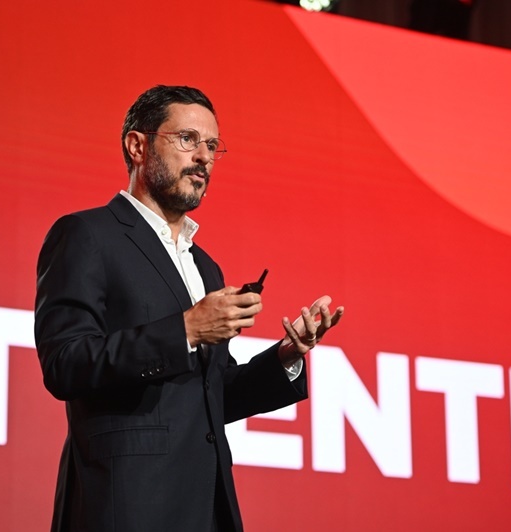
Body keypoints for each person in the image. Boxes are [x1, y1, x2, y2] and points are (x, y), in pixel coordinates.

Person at [34, 85, 343, 532]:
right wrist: (186, 330)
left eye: (213, 146)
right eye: (187, 139)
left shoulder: (205, 267)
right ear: (137, 146)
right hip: (128, 506)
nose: (204, 157)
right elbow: (65, 363)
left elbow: (210, 395)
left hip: (207, 507)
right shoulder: (87, 235)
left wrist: (286, 356)